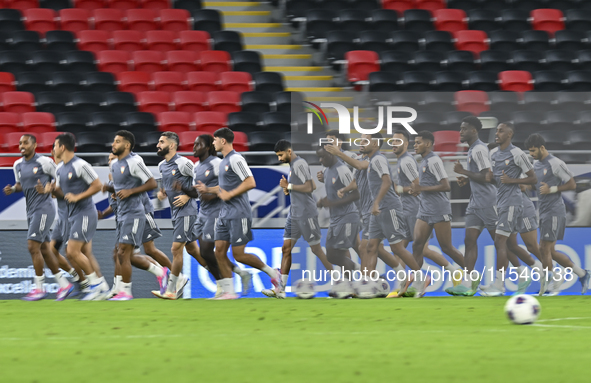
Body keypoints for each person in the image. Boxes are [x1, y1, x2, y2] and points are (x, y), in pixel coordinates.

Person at [196, 128, 281, 300]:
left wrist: (230, 194)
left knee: (239, 255)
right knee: (218, 251)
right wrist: (209, 189)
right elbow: (224, 187)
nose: (213, 143)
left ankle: (274, 273)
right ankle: (229, 292)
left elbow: (250, 182)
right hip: (224, 213)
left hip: (239, 213)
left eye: (215, 140)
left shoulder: (236, 159)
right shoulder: (223, 161)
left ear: (223, 141)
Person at [175, 134, 252, 298]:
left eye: (198, 144)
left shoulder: (217, 163)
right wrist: (182, 187)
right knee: (197, 248)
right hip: (202, 211)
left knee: (206, 251)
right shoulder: (196, 167)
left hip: (217, 212)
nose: (194, 146)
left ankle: (224, 287)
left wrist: (212, 193)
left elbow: (228, 185)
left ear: (209, 146)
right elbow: (197, 193)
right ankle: (236, 275)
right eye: (194, 143)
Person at [3, 134, 74, 301]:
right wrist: (13, 189)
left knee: (32, 246)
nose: (21, 146)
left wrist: (50, 188)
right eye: (20, 143)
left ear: (34, 145)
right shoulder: (17, 164)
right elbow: (21, 184)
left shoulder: (44, 162)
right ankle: (64, 285)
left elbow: (60, 176)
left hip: (44, 209)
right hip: (31, 210)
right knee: (43, 249)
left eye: (25, 143)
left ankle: (39, 288)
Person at [392, 130, 462, 297]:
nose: (416, 145)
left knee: (442, 247)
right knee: (413, 247)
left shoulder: (420, 161)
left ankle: (464, 273)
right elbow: (418, 186)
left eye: (418, 142)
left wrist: (404, 189)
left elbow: (444, 186)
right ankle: (415, 283)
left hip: (428, 208)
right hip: (420, 209)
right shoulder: (420, 161)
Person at [485, 123, 550, 297]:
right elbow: (498, 180)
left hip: (513, 203)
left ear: (510, 134)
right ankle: (538, 270)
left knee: (501, 242)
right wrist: (490, 179)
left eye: (501, 131)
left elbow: (533, 178)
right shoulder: (493, 154)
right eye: (496, 130)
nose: (497, 133)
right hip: (503, 202)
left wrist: (512, 181)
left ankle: (499, 285)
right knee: (511, 244)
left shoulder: (517, 153)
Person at [262, 139, 333, 299]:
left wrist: (290, 187)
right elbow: (310, 184)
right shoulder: (294, 166)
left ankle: (340, 282)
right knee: (286, 249)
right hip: (294, 215)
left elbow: (310, 187)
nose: (279, 159)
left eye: (280, 155)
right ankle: (281, 290)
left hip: (306, 214)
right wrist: (289, 190)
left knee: (317, 250)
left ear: (288, 151)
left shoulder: (299, 164)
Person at [43, 133, 110, 300]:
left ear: (62, 147)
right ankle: (100, 286)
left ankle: (95, 286)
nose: (53, 149)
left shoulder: (81, 165)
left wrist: (77, 197)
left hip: (85, 213)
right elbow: (62, 193)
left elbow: (97, 185)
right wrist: (51, 190)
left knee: (73, 251)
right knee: (74, 252)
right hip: (72, 215)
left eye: (55, 146)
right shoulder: (59, 169)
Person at [525, 133, 590, 295]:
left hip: (554, 211)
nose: (531, 154)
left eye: (533, 151)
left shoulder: (556, 163)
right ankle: (582, 274)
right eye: (529, 152)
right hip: (544, 211)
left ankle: (553, 284)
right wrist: (527, 186)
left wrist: (552, 189)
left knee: (544, 248)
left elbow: (572, 184)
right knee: (549, 251)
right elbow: (538, 186)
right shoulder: (537, 164)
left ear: (542, 147)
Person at [153, 131, 199, 300]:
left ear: (171, 145)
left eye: (161, 142)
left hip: (187, 211)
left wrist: (188, 195)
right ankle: (222, 277)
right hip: (176, 212)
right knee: (194, 250)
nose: (158, 145)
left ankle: (171, 289)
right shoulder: (161, 166)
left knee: (175, 248)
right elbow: (165, 187)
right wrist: (162, 193)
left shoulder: (183, 163)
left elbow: (202, 184)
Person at [316, 146, 361, 273]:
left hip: (347, 216)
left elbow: (356, 194)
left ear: (331, 154)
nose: (320, 160)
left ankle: (348, 287)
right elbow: (337, 193)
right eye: (318, 157)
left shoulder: (342, 170)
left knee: (340, 253)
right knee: (331, 255)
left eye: (322, 156)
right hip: (335, 219)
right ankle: (360, 270)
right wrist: (323, 201)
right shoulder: (328, 170)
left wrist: (332, 203)